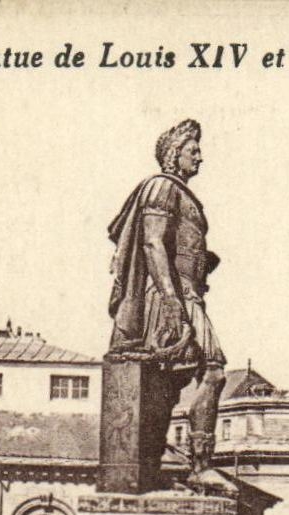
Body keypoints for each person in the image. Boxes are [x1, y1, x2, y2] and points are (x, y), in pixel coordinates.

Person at [106, 118, 227, 474]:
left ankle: (156, 467)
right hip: (169, 297)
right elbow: (152, 241)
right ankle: (201, 467)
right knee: (213, 370)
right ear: (174, 154)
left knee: (167, 385)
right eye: (194, 150)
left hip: (186, 294)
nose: (200, 157)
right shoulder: (161, 187)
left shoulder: (181, 194)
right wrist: (172, 300)